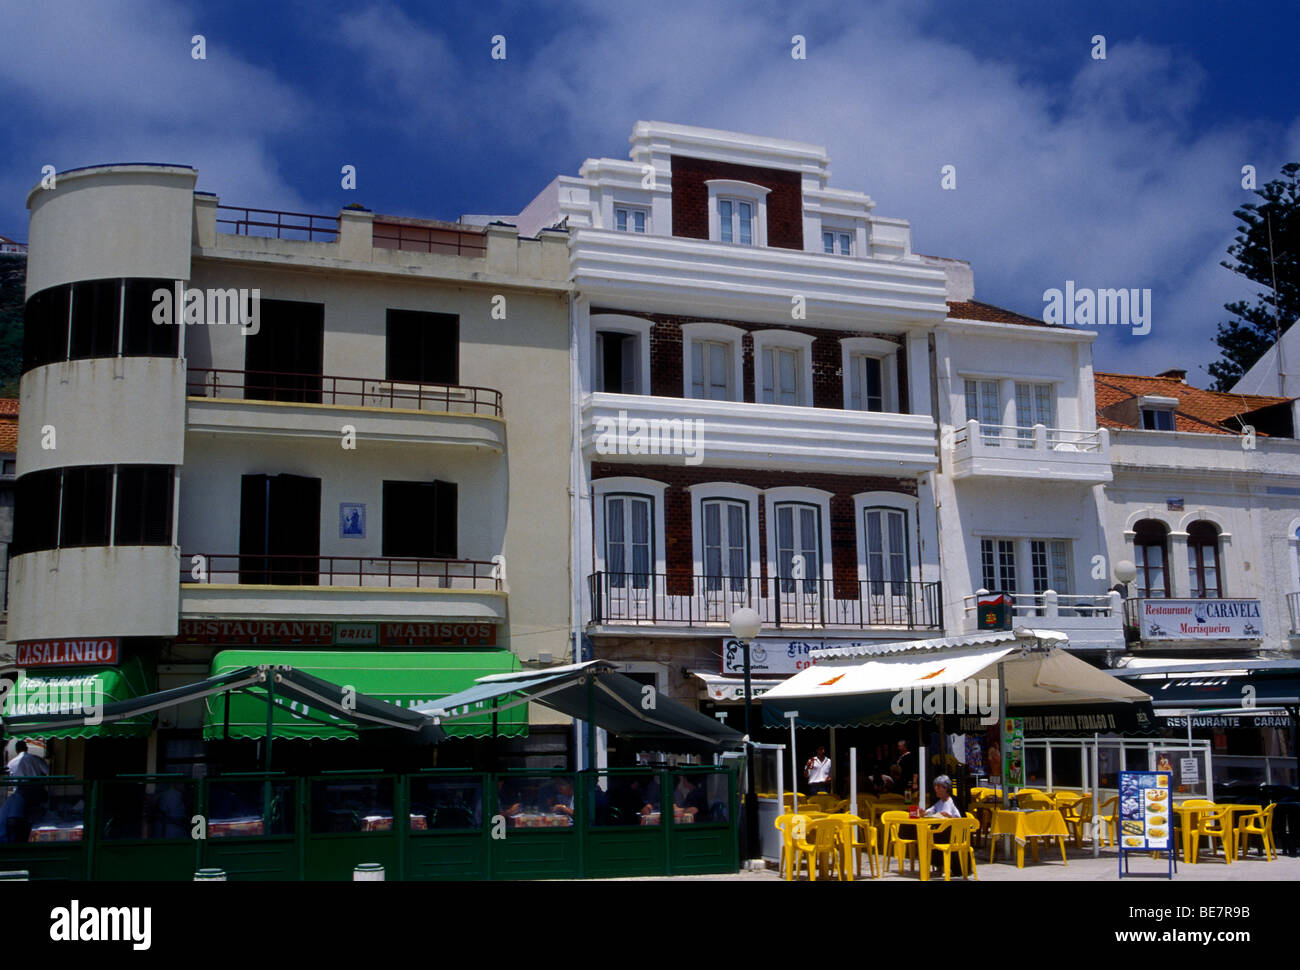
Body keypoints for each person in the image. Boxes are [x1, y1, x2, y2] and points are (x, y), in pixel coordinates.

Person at [923, 775, 961, 872]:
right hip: (942, 831)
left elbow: (960, 819)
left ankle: (947, 866)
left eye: (939, 786)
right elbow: (930, 811)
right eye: (935, 786)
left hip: (955, 834)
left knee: (934, 836)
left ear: (946, 788)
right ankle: (939, 864)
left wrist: (950, 817)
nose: (936, 789)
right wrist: (923, 813)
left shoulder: (953, 802)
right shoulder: (939, 802)